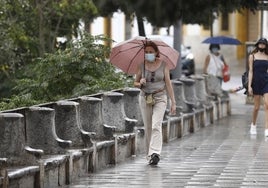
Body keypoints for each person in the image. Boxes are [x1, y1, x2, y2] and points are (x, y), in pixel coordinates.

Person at [133, 40, 176, 165]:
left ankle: (155, 152)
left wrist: (173, 102)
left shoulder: (164, 65)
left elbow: (168, 83)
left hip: (160, 97)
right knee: (148, 127)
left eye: (151, 52)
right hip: (145, 98)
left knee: (156, 125)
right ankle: (149, 155)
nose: (148, 54)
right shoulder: (141, 65)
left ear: (156, 52)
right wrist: (140, 82)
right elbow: (135, 83)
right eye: (146, 52)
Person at [248, 37, 268, 137]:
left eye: (264, 44)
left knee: (267, 105)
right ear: (257, 45)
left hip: (266, 82)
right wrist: (249, 86)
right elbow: (251, 71)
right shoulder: (252, 56)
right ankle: (253, 125)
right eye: (260, 44)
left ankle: (266, 129)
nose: (262, 45)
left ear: (266, 45)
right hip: (256, 82)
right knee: (256, 107)